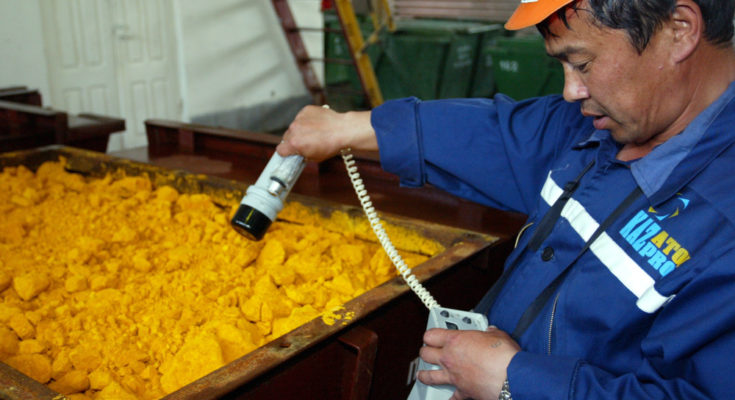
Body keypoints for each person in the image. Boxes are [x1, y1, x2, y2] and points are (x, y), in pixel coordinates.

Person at [277, 0, 735, 398]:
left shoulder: (723, 226)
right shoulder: (600, 126)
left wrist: (514, 381)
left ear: (679, 30)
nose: (570, 91)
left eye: (582, 63)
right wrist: (350, 127)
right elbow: (498, 135)